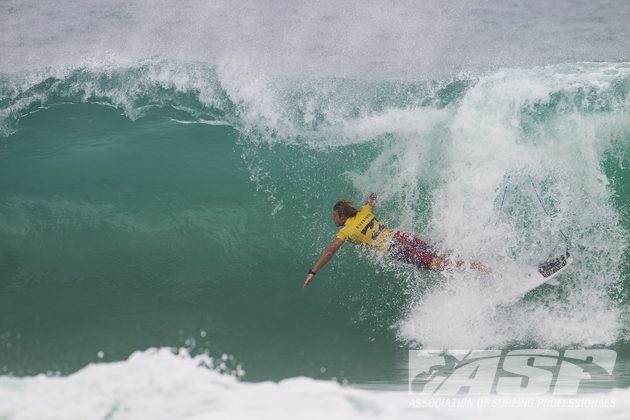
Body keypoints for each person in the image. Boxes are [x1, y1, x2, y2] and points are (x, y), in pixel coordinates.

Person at [303, 193, 490, 288]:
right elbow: (371, 199)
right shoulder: (364, 212)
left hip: (397, 247)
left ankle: (474, 266)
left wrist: (313, 271)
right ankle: (472, 263)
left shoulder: (347, 231)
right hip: (402, 236)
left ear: (342, 216)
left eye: (335, 215)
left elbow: (330, 250)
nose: (333, 219)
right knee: (438, 257)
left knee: (437, 264)